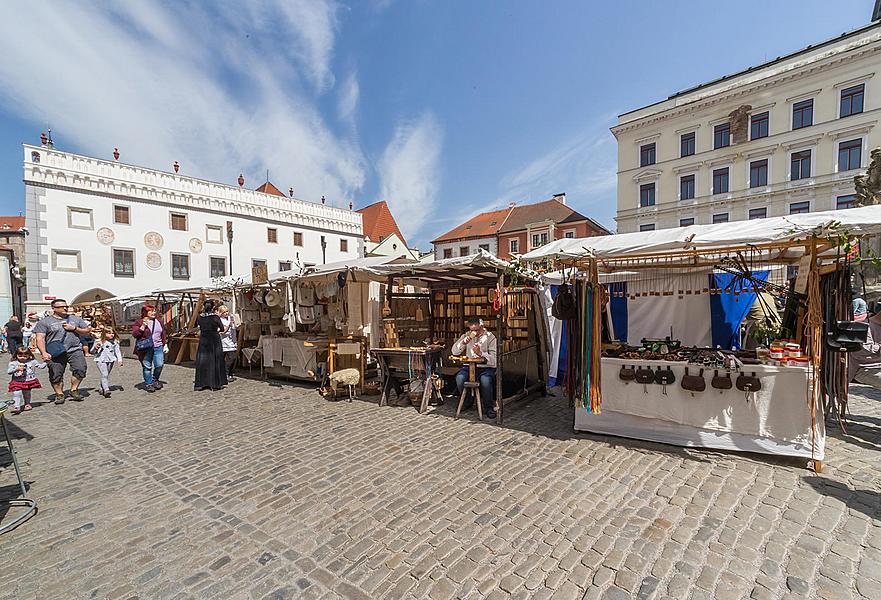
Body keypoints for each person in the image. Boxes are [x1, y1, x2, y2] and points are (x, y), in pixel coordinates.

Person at [33, 298, 91, 404]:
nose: (65, 308)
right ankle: (59, 394)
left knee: (80, 369)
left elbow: (87, 331)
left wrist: (74, 328)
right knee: (56, 374)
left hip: (75, 349)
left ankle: (74, 389)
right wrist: (43, 352)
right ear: (53, 308)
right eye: (61, 306)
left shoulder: (75, 319)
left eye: (66, 306)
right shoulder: (45, 322)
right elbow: (40, 338)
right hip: (55, 351)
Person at [452, 316, 498, 419]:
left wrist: (481, 353)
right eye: (472, 330)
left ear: (482, 326)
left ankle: (488, 407)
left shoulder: (490, 337)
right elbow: (454, 351)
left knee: (485, 380)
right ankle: (468, 401)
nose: (474, 333)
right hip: (469, 366)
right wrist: (463, 342)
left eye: (476, 330)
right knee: (460, 378)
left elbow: (494, 360)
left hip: (486, 367)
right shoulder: (467, 335)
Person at [194, 299, 228, 391]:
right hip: (214, 340)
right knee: (215, 360)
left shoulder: (199, 317)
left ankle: (202, 383)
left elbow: (197, 326)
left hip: (204, 339)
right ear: (213, 307)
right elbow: (221, 328)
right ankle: (215, 383)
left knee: (203, 361)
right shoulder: (215, 317)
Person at [132, 305, 167, 393]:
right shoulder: (139, 322)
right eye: (151, 311)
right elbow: (135, 334)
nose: (153, 313)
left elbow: (163, 333)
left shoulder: (158, 321)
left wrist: (165, 344)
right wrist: (143, 326)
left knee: (159, 364)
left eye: (154, 311)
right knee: (147, 367)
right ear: (145, 312)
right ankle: (149, 383)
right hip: (146, 348)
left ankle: (155, 379)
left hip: (158, 347)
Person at [7, 346, 48, 415]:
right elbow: (9, 372)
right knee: (17, 393)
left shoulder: (32, 362)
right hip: (17, 381)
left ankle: (27, 404)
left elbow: (40, 366)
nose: (22, 357)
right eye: (20, 355)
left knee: (27, 393)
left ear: (29, 355)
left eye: (25, 355)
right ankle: (17, 407)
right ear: (16, 355)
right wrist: (16, 369)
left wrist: (46, 361)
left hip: (28, 380)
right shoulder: (13, 363)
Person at [91, 327, 123, 398]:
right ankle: (106, 390)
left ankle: (101, 388)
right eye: (109, 333)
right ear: (104, 333)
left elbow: (117, 351)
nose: (112, 335)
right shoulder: (99, 341)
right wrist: (96, 347)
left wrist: (119, 360)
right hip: (100, 359)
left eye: (113, 333)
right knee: (104, 374)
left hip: (111, 360)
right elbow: (92, 351)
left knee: (105, 374)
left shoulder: (115, 342)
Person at [218, 304, 237, 381]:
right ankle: (225, 373)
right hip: (224, 341)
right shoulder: (220, 320)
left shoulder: (230, 318)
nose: (226, 313)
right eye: (224, 312)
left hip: (231, 341)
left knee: (233, 358)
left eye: (227, 311)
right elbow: (221, 331)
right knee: (229, 358)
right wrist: (228, 326)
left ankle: (229, 373)